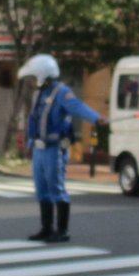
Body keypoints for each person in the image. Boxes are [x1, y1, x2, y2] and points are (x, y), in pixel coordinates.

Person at [19, 54, 106, 244]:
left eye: (33, 78)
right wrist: (29, 145)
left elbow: (78, 108)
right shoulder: (38, 94)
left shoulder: (61, 92)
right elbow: (34, 120)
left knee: (56, 188)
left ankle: (62, 230)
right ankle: (46, 228)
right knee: (41, 190)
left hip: (54, 149)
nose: (31, 82)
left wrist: (96, 118)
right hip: (39, 149)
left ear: (43, 76)